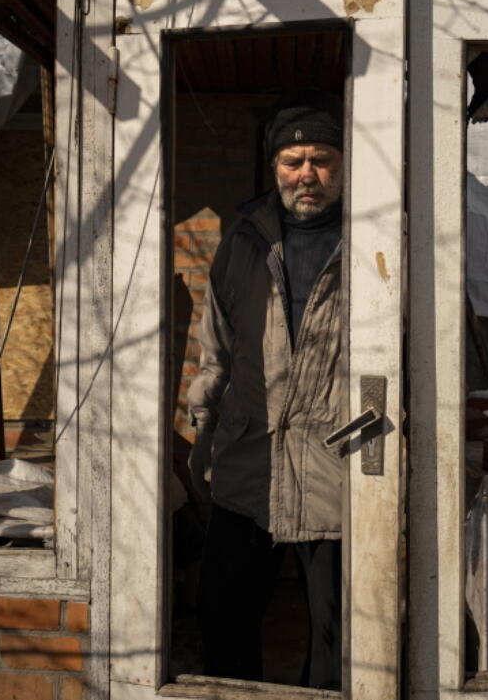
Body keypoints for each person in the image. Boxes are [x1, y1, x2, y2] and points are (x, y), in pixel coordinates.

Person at [186, 90, 346, 690]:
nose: (307, 173)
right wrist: (203, 431)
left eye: (322, 158)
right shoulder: (244, 241)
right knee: (223, 615)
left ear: (342, 165)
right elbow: (217, 352)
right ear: (275, 166)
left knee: (340, 632)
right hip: (249, 461)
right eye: (293, 159)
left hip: (339, 468)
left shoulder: (377, 239)